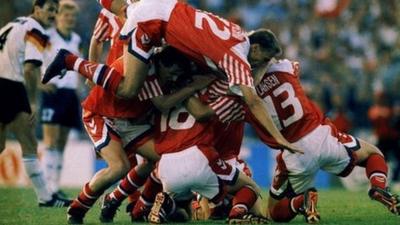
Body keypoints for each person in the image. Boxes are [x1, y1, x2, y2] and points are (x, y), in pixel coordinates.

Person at [42, 0, 302, 155]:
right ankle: (69, 60)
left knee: (128, 19)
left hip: (162, 12)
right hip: (153, 23)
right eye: (262, 59)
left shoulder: (237, 33)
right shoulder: (235, 57)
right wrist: (279, 139)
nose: (260, 64)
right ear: (255, 49)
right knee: (128, 88)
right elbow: (252, 99)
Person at [244, 29, 398, 223]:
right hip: (320, 135)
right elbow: (288, 68)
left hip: (293, 151)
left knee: (274, 213)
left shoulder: (243, 91)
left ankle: (303, 200)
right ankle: (379, 187)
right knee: (373, 154)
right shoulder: (285, 67)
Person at [0, 0, 71, 207]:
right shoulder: (36, 29)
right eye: (50, 10)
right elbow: (30, 68)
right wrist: (32, 101)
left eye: (55, 12)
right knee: (29, 144)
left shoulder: (11, 25)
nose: (53, 15)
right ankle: (46, 198)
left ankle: (46, 197)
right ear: (36, 9)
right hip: (11, 87)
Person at [40, 0, 82, 197]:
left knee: (62, 143)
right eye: (66, 14)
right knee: (51, 140)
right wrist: (40, 83)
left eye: (72, 15)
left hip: (70, 94)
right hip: (53, 92)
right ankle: (47, 188)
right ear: (57, 16)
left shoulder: (76, 39)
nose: (70, 18)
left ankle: (55, 187)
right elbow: (32, 60)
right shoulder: (47, 37)